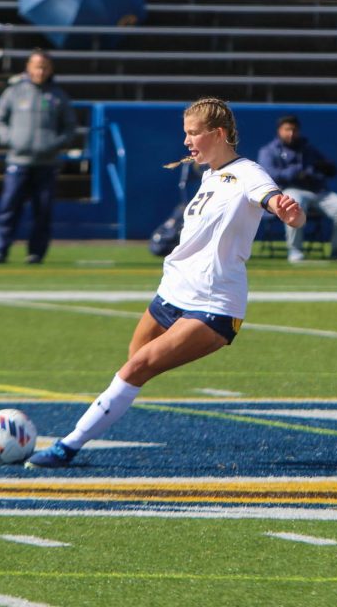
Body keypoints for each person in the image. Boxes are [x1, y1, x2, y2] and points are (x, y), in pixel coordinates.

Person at [24, 97, 305, 469]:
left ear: (218, 134)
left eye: (193, 134)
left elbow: (273, 201)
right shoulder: (208, 175)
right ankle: (97, 426)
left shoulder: (248, 173)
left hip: (213, 304)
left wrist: (289, 213)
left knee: (136, 368)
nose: (187, 142)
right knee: (133, 366)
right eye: (185, 133)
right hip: (171, 292)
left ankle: (68, 446)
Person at [0, 50, 78, 265]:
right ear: (28, 67)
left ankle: (36, 253)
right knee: (8, 207)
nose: (40, 71)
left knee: (43, 211)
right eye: (37, 66)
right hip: (18, 161)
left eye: (45, 66)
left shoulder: (58, 96)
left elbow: (70, 127)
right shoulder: (14, 92)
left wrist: (54, 144)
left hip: (47, 163)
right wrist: (10, 139)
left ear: (50, 69)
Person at [256, 114, 337, 263]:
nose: (291, 133)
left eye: (294, 130)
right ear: (279, 130)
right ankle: (295, 250)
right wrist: (294, 173)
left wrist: (324, 168)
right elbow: (268, 174)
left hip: (316, 191)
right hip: (288, 190)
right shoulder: (269, 151)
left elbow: (327, 167)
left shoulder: (307, 149)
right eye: (287, 129)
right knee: (294, 202)